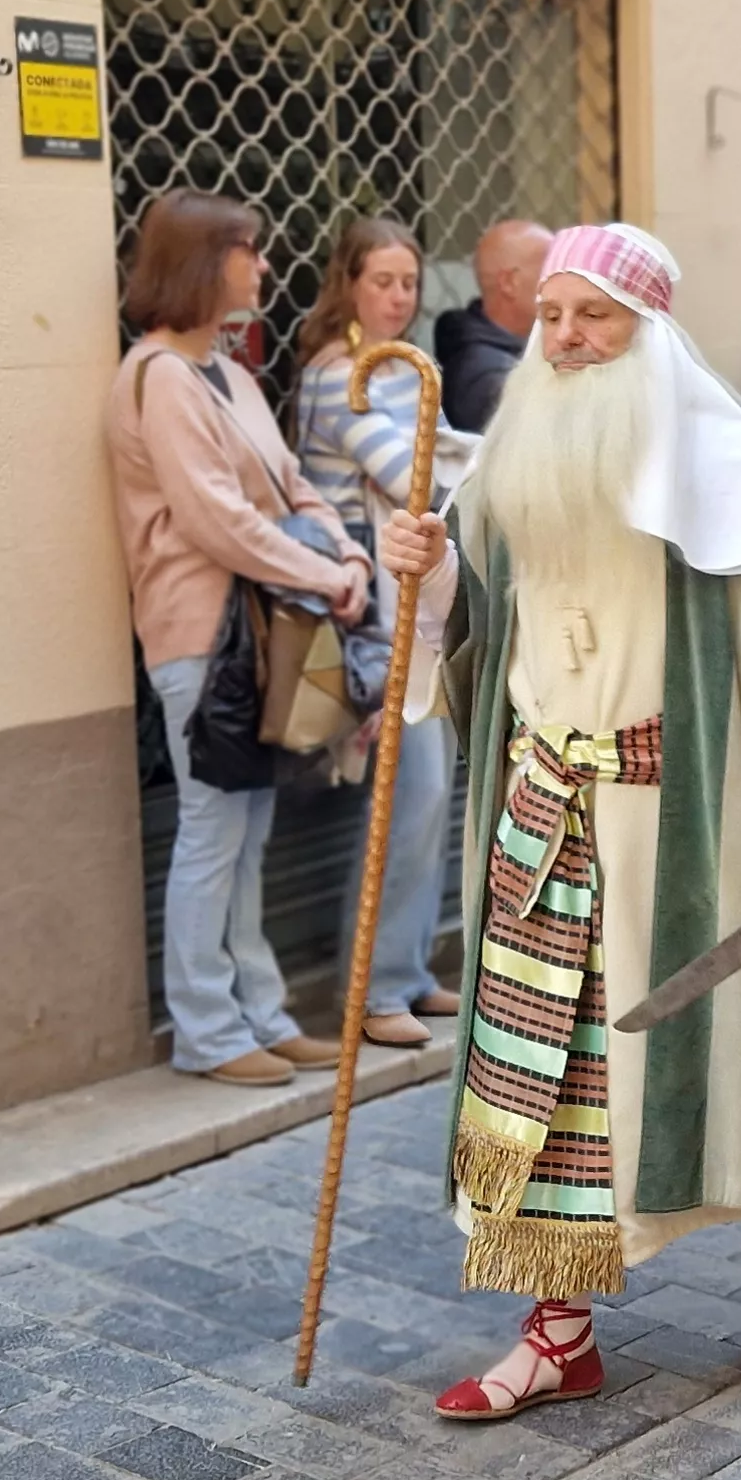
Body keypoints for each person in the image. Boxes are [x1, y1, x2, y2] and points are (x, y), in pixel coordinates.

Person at [375, 222, 741, 1420]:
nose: (566, 340)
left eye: (594, 318)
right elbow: (468, 632)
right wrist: (419, 570)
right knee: (544, 1078)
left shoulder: (720, 458)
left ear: (646, 327)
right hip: (540, 823)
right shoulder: (507, 458)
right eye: (550, 318)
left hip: (692, 825)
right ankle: (556, 1329)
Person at [96, 191, 370, 1091]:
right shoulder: (159, 375)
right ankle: (208, 1030)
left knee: (247, 833)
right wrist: (324, 575)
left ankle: (261, 1012)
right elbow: (216, 521)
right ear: (201, 264)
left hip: (257, 632)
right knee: (213, 831)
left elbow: (292, 485)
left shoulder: (227, 370)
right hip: (201, 638)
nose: (262, 267)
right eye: (247, 251)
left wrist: (343, 548)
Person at [288, 216, 469, 1043]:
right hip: (372, 619)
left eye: (409, 282)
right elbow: (416, 478)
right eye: (383, 281)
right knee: (410, 793)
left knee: (427, 797)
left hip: (416, 609)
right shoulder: (340, 373)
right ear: (348, 283)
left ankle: (404, 970)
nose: (399, 297)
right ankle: (372, 992)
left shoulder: (403, 368)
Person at [429, 218, 551, 434]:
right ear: (509, 282)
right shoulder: (483, 378)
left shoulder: (525, 343)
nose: (562, 280)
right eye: (550, 268)